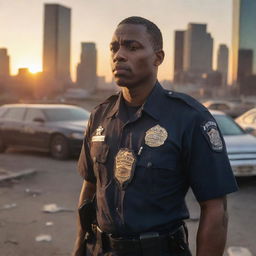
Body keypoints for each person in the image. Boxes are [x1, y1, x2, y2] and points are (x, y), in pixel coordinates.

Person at [73, 16, 238, 256]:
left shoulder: (190, 118)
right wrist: (79, 248)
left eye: (132, 47)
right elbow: (89, 188)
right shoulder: (99, 117)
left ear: (158, 58)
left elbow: (215, 209)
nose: (119, 55)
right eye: (114, 48)